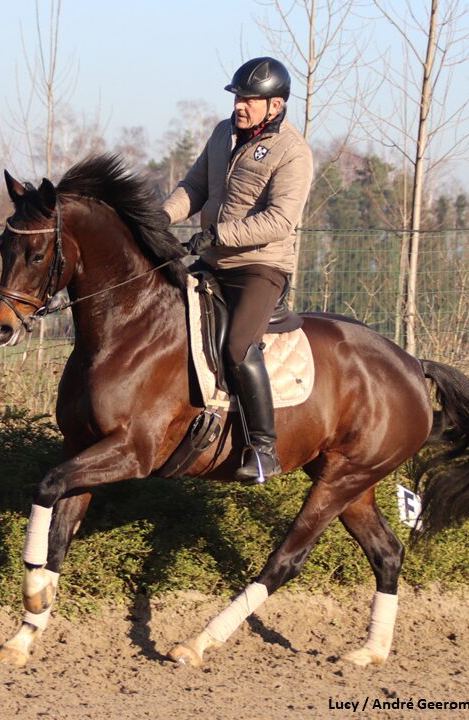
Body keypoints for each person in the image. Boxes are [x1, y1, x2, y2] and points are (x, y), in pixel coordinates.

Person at [162, 57, 314, 482]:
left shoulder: (293, 152)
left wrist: (218, 235)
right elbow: (193, 187)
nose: (241, 105)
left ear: (276, 105)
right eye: (238, 97)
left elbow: (280, 221)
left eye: (251, 99)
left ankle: (263, 450)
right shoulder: (222, 132)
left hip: (259, 268)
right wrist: (161, 217)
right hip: (213, 260)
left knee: (236, 347)